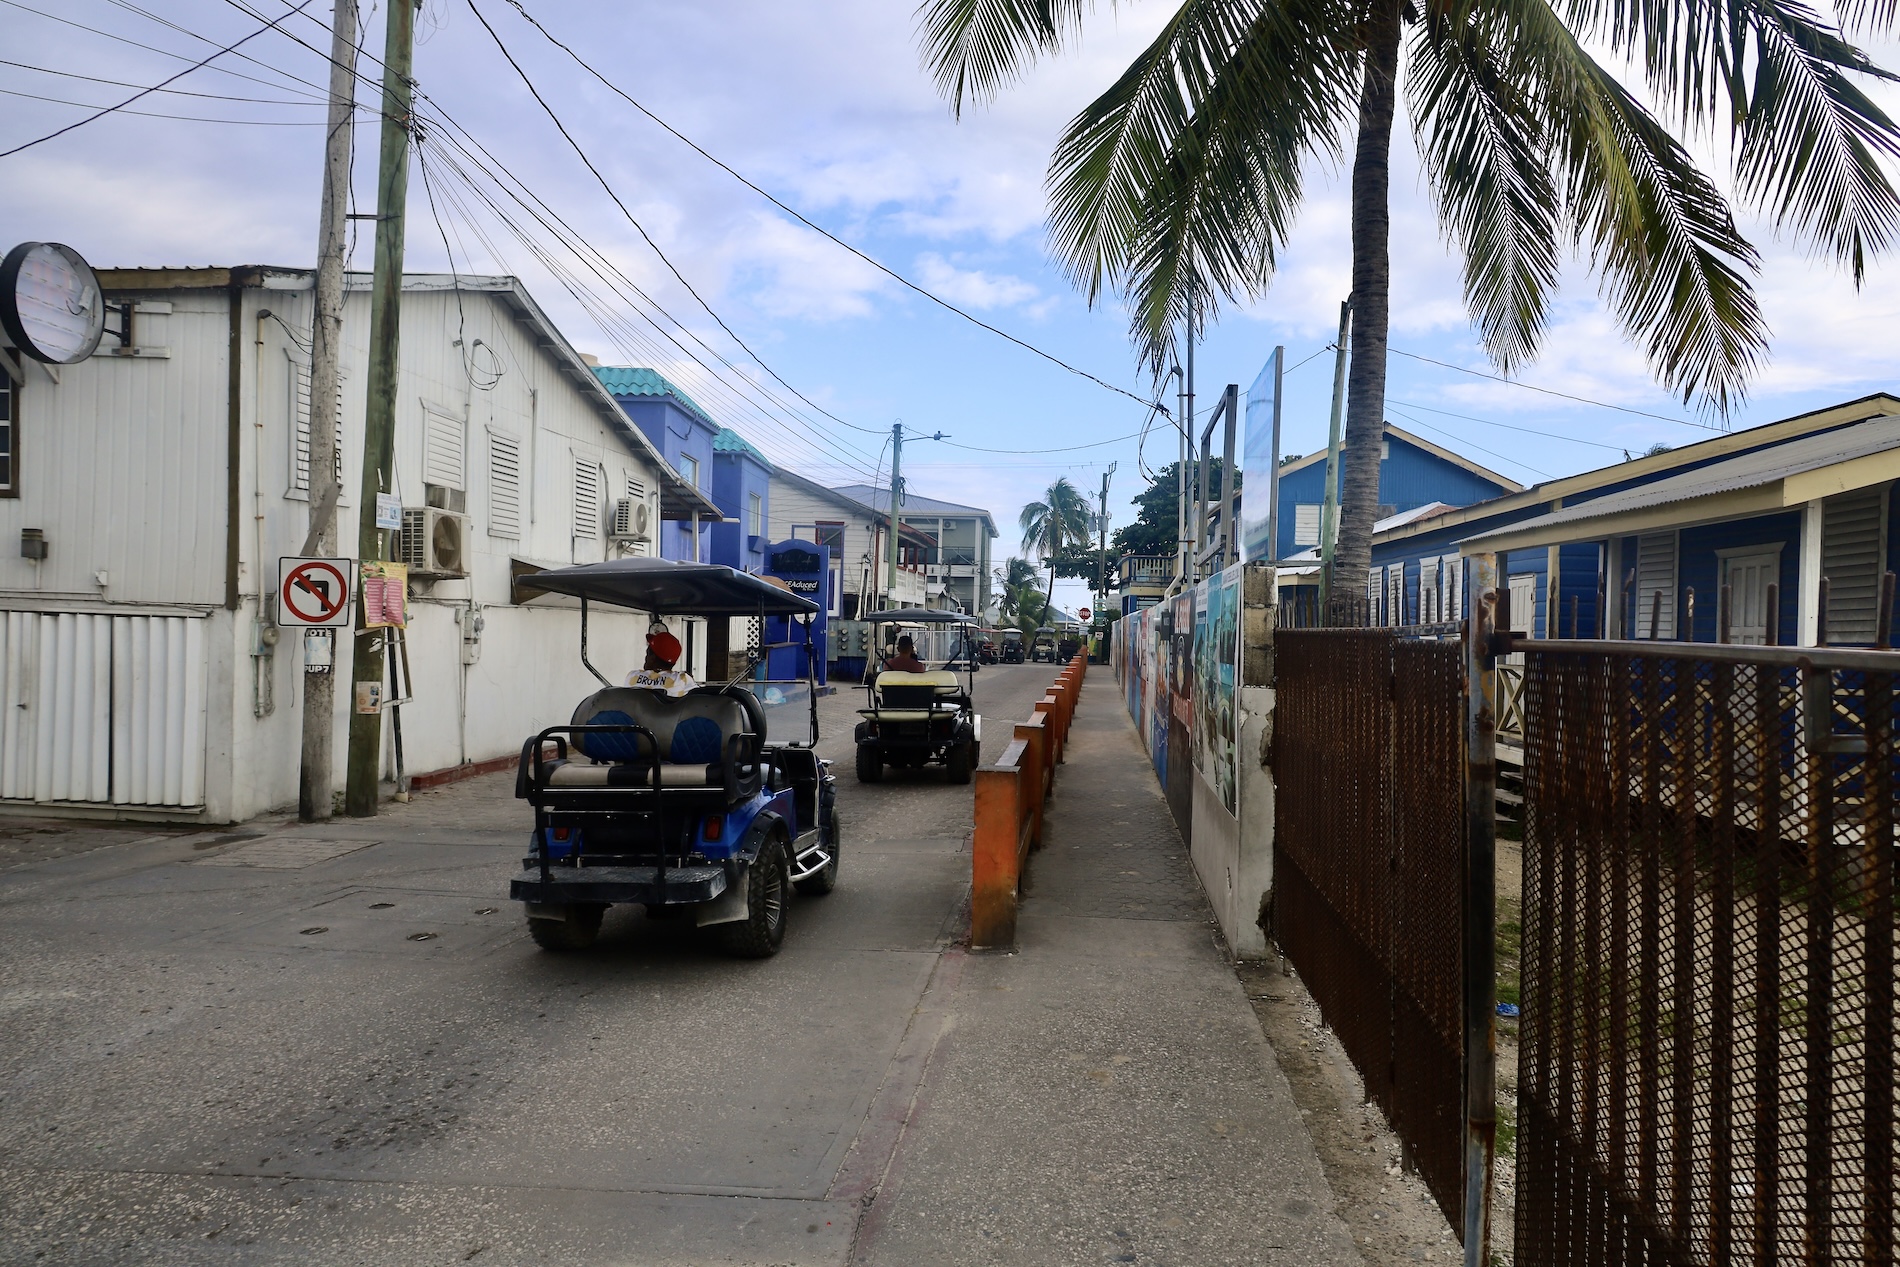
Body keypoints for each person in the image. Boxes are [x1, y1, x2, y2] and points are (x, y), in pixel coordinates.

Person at [627, 622, 699, 698]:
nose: (645, 658)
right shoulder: (681, 680)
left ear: (652, 658)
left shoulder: (632, 676)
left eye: (647, 654)